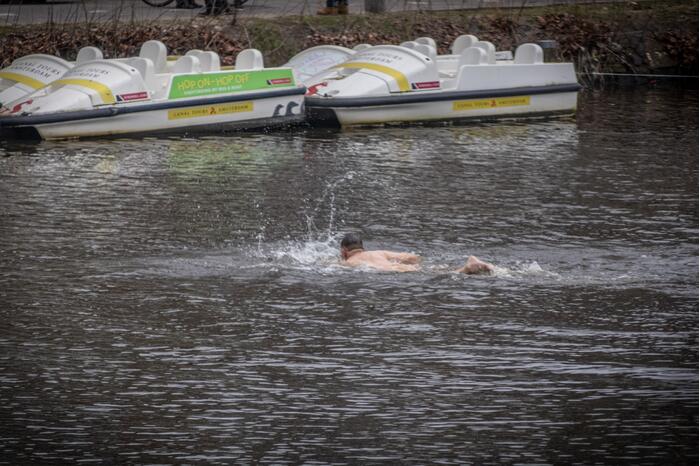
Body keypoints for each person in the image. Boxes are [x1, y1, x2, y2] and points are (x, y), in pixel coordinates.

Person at [339, 233, 495, 274]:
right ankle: (470, 264)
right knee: (437, 270)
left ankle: (468, 268)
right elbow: (412, 257)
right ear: (362, 247)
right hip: (405, 268)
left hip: (394, 273)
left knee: (447, 274)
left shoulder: (348, 263)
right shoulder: (379, 252)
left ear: (344, 251)